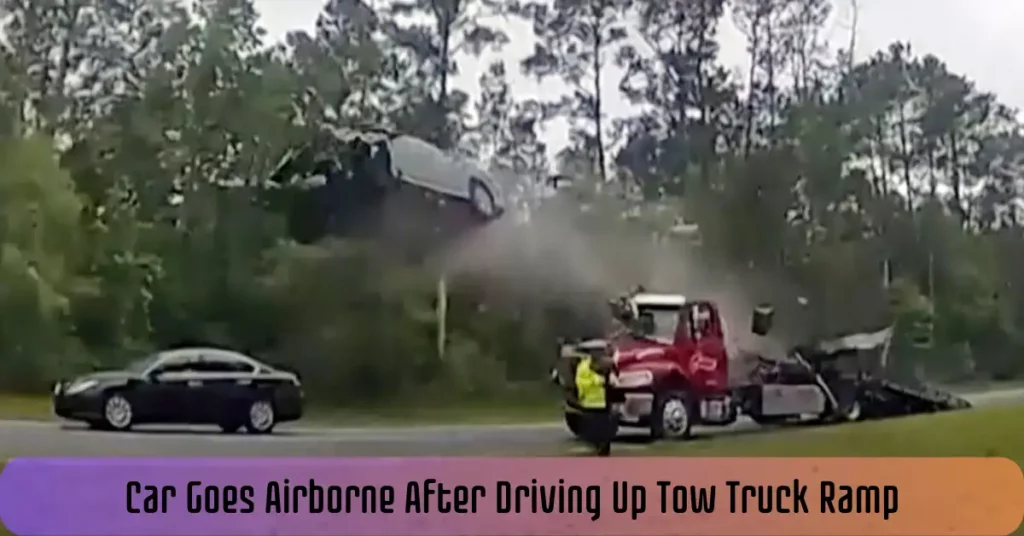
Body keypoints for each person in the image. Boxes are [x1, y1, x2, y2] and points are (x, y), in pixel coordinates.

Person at [574, 352, 614, 456]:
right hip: (591, 402)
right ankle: (599, 447)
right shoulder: (584, 367)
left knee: (605, 428)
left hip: (602, 402)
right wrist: (597, 380)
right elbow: (581, 382)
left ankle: (604, 449)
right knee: (595, 428)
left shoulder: (605, 364)